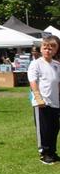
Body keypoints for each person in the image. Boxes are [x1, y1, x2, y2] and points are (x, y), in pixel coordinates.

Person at [28, 34, 60, 164]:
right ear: (41, 49)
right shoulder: (36, 64)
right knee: (44, 129)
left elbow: (57, 83)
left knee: (54, 128)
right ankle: (44, 153)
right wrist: (38, 97)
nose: (48, 50)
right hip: (42, 102)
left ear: (56, 50)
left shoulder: (57, 65)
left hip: (55, 102)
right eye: (46, 48)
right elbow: (33, 81)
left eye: (52, 48)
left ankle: (52, 151)